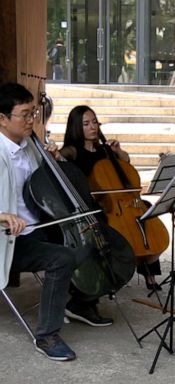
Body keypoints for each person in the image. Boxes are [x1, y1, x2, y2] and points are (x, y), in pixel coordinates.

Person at [0, 83, 113, 362]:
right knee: (61, 258)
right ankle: (47, 335)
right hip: (10, 238)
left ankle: (79, 302)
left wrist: (55, 160)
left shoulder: (30, 146)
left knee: (94, 239)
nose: (31, 121)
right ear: (2, 119)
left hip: (38, 227)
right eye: (24, 115)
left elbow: (48, 190)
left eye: (34, 114)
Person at [60, 105, 162, 290]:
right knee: (110, 224)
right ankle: (115, 269)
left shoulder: (105, 150)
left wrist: (119, 152)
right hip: (94, 204)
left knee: (146, 210)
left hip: (118, 202)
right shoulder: (72, 151)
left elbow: (127, 164)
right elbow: (59, 161)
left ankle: (150, 273)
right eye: (86, 123)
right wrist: (55, 156)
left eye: (94, 122)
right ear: (76, 127)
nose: (92, 127)